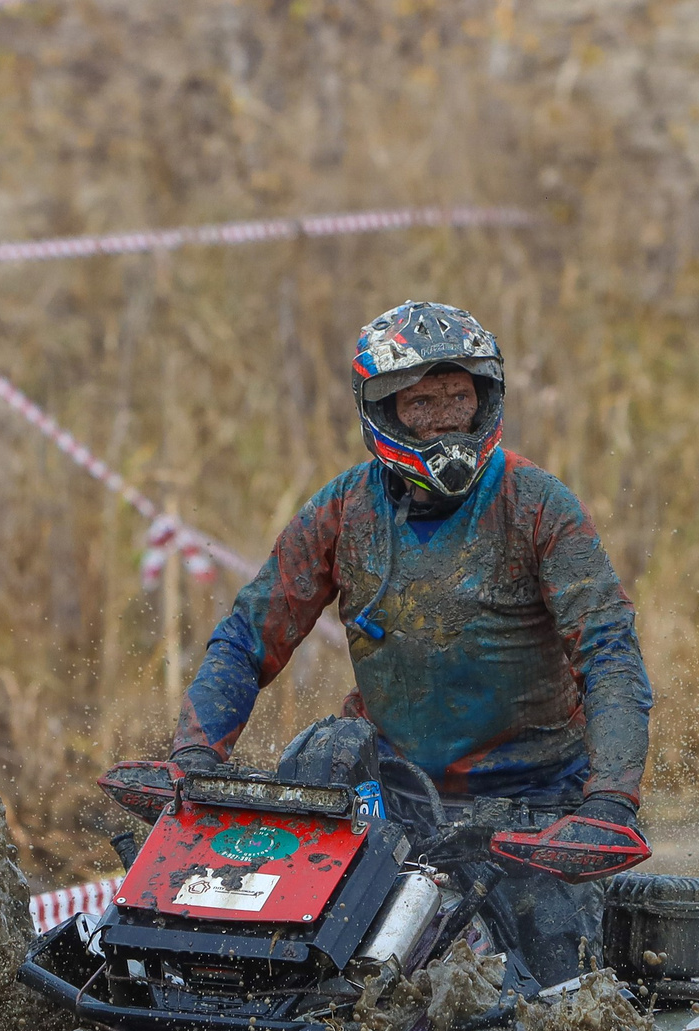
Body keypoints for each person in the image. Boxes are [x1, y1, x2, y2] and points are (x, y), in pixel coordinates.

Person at [167, 299, 652, 987]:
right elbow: (248, 636)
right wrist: (193, 757)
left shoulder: (539, 504)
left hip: (535, 798)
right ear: (385, 411)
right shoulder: (343, 509)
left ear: (485, 399)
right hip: (392, 794)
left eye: (459, 397)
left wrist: (608, 803)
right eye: (423, 402)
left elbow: (609, 652)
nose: (447, 417)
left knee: (558, 975)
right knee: (323, 751)